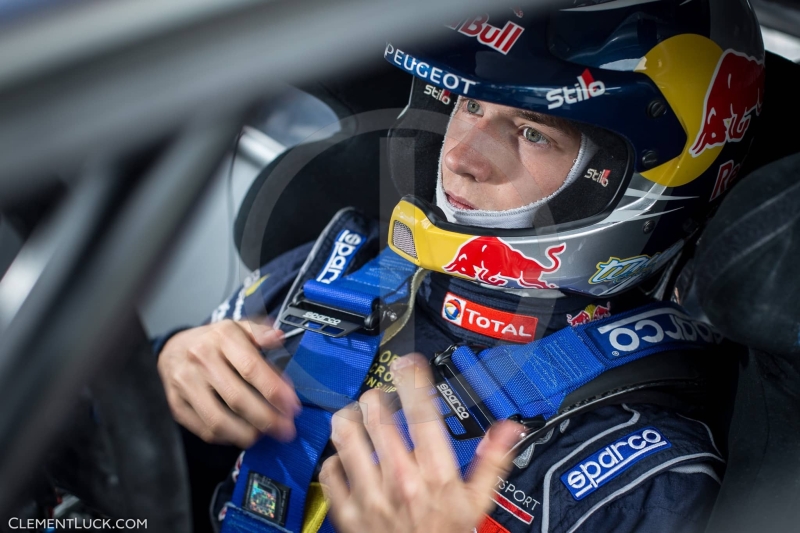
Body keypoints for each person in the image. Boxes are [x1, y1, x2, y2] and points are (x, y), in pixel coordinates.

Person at [155, 1, 765, 532]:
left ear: (636, 179)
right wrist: (172, 364)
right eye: (469, 106)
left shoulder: (643, 467)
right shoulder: (344, 263)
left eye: (531, 132)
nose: (463, 158)